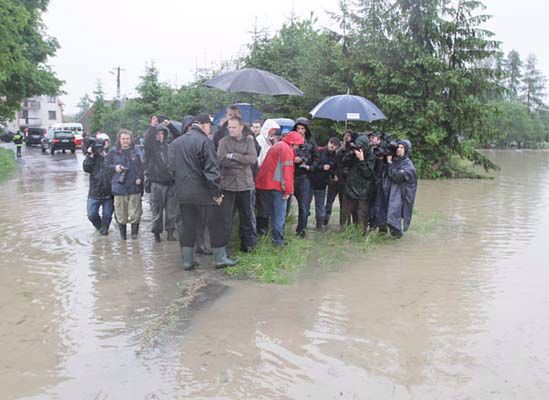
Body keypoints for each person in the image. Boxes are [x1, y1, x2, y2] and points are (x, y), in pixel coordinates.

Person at [168, 113, 237, 270]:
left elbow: (170, 169)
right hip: (204, 193)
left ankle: (187, 262)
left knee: (188, 226)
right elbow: (212, 171)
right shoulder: (205, 142)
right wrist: (217, 193)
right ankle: (220, 259)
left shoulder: (176, 143)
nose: (209, 129)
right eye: (209, 126)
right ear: (204, 125)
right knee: (216, 225)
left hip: (183, 193)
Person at [255, 131, 304, 246]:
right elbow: (287, 172)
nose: (297, 147)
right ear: (292, 143)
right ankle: (278, 241)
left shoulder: (276, 146)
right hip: (277, 187)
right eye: (297, 145)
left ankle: (273, 237)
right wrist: (288, 190)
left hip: (265, 185)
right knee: (279, 215)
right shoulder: (286, 150)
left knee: (272, 213)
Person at [217, 116, 258, 252]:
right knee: (226, 219)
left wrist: (234, 155)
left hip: (245, 185)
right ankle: (224, 249)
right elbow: (221, 159)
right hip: (228, 185)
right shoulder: (223, 141)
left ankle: (248, 246)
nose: (231, 129)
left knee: (247, 216)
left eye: (234, 127)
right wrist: (242, 162)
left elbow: (252, 159)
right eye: (229, 127)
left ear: (241, 127)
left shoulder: (249, 141)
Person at [104, 129, 144, 240]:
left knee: (135, 215)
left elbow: (142, 167)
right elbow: (106, 166)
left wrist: (140, 178)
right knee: (121, 216)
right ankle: (123, 239)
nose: (126, 141)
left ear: (131, 140)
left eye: (128, 139)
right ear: (119, 140)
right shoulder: (113, 152)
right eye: (123, 139)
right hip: (119, 188)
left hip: (134, 187)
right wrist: (114, 168)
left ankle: (135, 239)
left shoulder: (137, 151)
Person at [144, 125, 178, 242]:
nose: (160, 136)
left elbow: (178, 135)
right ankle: (157, 234)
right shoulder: (150, 149)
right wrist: (152, 127)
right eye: (157, 134)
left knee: (171, 211)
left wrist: (169, 125)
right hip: (156, 183)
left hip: (171, 183)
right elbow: (147, 140)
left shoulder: (170, 147)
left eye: (162, 134)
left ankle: (170, 233)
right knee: (156, 211)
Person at [340, 134, 376, 233]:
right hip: (350, 187)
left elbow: (368, 173)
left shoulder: (371, 157)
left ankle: (361, 234)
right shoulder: (353, 154)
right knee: (345, 214)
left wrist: (361, 159)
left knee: (361, 216)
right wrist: (350, 152)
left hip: (363, 191)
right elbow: (343, 162)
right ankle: (345, 232)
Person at [292, 118, 318, 237]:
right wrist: (293, 158)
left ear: (306, 129)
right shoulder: (290, 139)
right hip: (290, 174)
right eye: (298, 128)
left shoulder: (311, 142)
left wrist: (309, 167)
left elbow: (317, 159)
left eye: (302, 128)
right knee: (285, 203)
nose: (300, 131)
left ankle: (301, 230)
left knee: (304, 206)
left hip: (304, 176)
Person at [385, 140, 417, 238]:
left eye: (402, 148)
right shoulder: (397, 161)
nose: (399, 149)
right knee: (389, 216)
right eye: (398, 147)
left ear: (406, 150)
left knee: (393, 216)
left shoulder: (408, 165)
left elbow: (397, 177)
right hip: (393, 193)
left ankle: (397, 237)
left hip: (402, 195)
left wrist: (389, 163)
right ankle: (394, 238)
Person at [83, 136, 113, 235]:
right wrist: (90, 155)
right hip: (94, 192)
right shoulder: (91, 157)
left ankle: (104, 233)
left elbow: (114, 167)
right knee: (91, 215)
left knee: (107, 215)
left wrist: (104, 155)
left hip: (108, 192)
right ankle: (100, 228)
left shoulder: (109, 154)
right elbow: (86, 168)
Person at [255, 119, 280, 235]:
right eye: (272, 130)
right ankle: (261, 229)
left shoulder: (269, 142)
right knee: (262, 204)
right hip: (261, 175)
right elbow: (259, 159)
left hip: (269, 177)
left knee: (267, 204)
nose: (273, 133)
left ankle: (265, 228)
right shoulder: (260, 141)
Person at [311, 137, 340, 230]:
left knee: (320, 205)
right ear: (328, 143)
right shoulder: (319, 151)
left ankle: (319, 225)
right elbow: (312, 165)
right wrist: (322, 167)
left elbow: (334, 168)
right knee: (306, 205)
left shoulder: (335, 156)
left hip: (322, 183)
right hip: (312, 181)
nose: (332, 146)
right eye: (331, 143)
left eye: (335, 145)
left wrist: (333, 175)